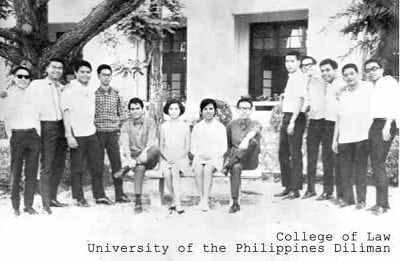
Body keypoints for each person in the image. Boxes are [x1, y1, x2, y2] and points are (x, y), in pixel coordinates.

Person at [61, 60, 112, 207]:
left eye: (88, 72)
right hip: (77, 135)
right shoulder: (69, 89)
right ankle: (79, 197)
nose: (85, 74)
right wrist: (69, 135)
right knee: (77, 168)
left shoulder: (91, 88)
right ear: (76, 73)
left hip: (91, 133)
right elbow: (66, 113)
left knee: (97, 166)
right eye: (82, 71)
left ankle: (100, 195)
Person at [29, 57, 68, 214]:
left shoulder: (63, 87)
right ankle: (45, 203)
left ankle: (52, 198)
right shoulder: (37, 85)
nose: (57, 70)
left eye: (60, 68)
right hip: (46, 125)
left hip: (61, 125)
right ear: (46, 68)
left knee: (59, 163)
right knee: (47, 163)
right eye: (54, 67)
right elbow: (30, 106)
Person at [332, 63, 372, 210]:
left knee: (360, 170)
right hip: (344, 138)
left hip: (362, 137)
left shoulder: (367, 90)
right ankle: (347, 199)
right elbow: (338, 119)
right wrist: (335, 139)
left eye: (351, 73)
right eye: (346, 75)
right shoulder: (343, 95)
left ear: (358, 74)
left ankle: (361, 200)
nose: (349, 77)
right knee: (345, 170)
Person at [3, 66, 41, 216]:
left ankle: (29, 205)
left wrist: (38, 134)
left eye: (26, 77)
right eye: (20, 76)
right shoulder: (7, 96)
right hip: (17, 136)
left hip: (33, 135)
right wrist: (11, 137)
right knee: (16, 172)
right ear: (13, 77)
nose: (23, 79)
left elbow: (38, 115)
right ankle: (15, 207)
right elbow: (6, 119)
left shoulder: (33, 95)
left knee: (31, 173)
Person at [364, 59, 398, 215]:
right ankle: (381, 202)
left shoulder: (388, 83)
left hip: (385, 124)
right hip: (375, 125)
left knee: (378, 163)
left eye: (374, 68)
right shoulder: (372, 86)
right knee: (376, 163)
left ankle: (383, 204)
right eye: (368, 70)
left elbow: (395, 104)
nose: (371, 72)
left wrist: (387, 126)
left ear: (382, 69)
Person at [275, 51, 308, 199]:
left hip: (296, 117)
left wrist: (292, 122)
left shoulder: (300, 77)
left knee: (294, 154)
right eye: (287, 61)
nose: (289, 64)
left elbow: (301, 100)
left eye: (292, 61)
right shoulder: (292, 78)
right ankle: (288, 186)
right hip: (287, 116)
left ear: (299, 62)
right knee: (283, 153)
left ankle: (295, 189)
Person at [94, 64, 129, 203]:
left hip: (113, 133)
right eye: (103, 74)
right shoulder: (94, 94)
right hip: (98, 133)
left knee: (117, 164)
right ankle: (99, 195)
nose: (106, 77)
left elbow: (122, 113)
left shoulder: (116, 93)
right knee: (98, 165)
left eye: (108, 74)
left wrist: (118, 126)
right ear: (98, 76)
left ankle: (119, 194)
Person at [120, 97, 160, 213]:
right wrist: (129, 158)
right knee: (140, 168)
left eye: (138, 108)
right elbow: (125, 145)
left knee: (156, 149)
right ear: (129, 111)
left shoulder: (150, 122)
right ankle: (138, 201)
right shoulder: (125, 126)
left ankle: (127, 167)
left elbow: (151, 141)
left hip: (148, 155)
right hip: (134, 157)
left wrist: (141, 156)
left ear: (142, 110)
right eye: (132, 109)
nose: (135, 111)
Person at [223, 97, 262, 213]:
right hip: (237, 161)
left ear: (251, 110)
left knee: (253, 141)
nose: (244, 111)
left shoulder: (256, 123)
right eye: (241, 108)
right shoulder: (231, 125)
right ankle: (235, 203)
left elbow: (255, 131)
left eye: (247, 108)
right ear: (237, 110)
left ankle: (230, 164)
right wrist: (227, 158)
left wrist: (246, 140)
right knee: (235, 167)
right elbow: (229, 146)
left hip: (250, 160)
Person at [191, 98, 227, 211]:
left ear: (215, 111)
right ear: (201, 111)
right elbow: (193, 147)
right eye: (205, 109)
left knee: (207, 169)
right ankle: (201, 198)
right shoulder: (197, 127)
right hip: (200, 156)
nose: (208, 111)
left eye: (211, 109)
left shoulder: (220, 127)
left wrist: (211, 155)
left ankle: (205, 199)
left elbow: (223, 147)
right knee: (197, 169)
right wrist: (200, 154)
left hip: (215, 158)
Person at [319, 58, 346, 204]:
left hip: (340, 126)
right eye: (322, 71)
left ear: (335, 70)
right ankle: (327, 191)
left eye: (328, 70)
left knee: (338, 162)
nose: (325, 73)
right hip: (327, 125)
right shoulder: (327, 85)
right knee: (327, 160)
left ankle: (341, 195)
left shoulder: (342, 83)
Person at [301, 56, 327, 199]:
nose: (308, 67)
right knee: (311, 156)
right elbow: (308, 102)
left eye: (310, 64)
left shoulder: (323, 80)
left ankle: (327, 191)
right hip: (313, 122)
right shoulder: (307, 82)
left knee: (327, 157)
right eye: (304, 66)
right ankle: (310, 189)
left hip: (326, 121)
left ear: (315, 65)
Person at [159, 99, 190, 214]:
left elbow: (187, 148)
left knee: (175, 170)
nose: (173, 111)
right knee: (167, 173)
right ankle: (174, 199)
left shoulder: (185, 126)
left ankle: (177, 203)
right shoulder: (164, 126)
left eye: (176, 109)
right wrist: (168, 158)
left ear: (180, 110)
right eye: (171, 109)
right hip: (166, 156)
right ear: (167, 110)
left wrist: (176, 158)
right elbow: (161, 146)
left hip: (181, 157)